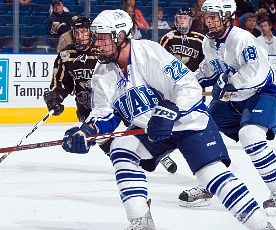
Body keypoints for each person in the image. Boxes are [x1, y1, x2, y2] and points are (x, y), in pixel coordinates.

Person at [61, 9, 276, 230]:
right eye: (95, 37)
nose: (96, 43)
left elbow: (188, 86)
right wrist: (86, 132)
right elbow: (104, 114)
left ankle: (263, 228)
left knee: (210, 174)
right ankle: (142, 227)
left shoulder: (148, 53)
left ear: (121, 35)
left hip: (189, 122)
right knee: (121, 148)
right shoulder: (103, 74)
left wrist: (167, 112)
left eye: (103, 37)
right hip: (152, 130)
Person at [179, 0, 276, 218]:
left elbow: (256, 71)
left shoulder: (242, 39)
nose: (208, 21)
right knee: (199, 128)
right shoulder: (209, 43)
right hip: (233, 97)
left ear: (227, 16)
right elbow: (209, 70)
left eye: (213, 17)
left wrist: (231, 84)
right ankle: (211, 182)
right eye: (206, 16)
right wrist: (184, 84)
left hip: (263, 93)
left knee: (250, 135)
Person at [45, 16, 177, 173]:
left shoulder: (104, 50)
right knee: (102, 139)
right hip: (89, 107)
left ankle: (158, 153)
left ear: (92, 33)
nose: (81, 36)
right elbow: (60, 83)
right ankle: (126, 162)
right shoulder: (66, 55)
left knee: (140, 126)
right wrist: (55, 97)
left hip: (120, 97)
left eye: (84, 32)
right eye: (77, 32)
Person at [160, 7, 205, 72]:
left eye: (185, 18)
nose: (182, 20)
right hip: (173, 76)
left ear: (190, 20)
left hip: (194, 76)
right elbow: (161, 59)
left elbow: (205, 61)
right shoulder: (168, 37)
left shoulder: (200, 38)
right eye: (180, 18)